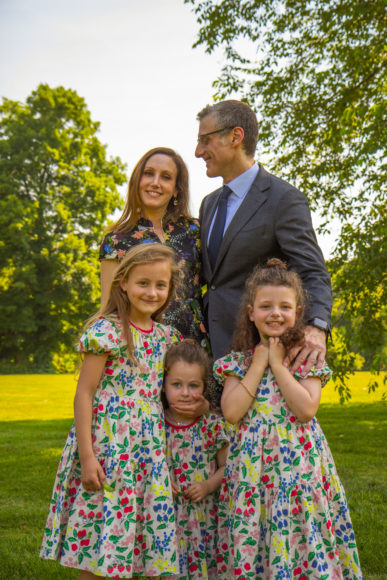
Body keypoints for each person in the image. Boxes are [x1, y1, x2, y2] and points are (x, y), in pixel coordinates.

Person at [40, 244, 185, 579]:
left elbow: (168, 397)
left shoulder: (169, 338)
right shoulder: (106, 331)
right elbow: (84, 393)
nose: (152, 292)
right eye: (143, 283)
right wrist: (87, 456)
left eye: (160, 285)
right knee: (100, 535)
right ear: (123, 283)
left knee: (140, 535)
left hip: (147, 451)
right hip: (108, 448)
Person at [214, 258, 362, 579]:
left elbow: (306, 408)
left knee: (300, 535)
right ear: (251, 312)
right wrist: (258, 364)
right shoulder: (237, 363)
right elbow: (232, 411)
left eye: (285, 306)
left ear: (298, 313)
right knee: (256, 536)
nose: (276, 313)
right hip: (252, 474)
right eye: (266, 306)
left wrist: (278, 366)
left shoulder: (305, 359)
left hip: (297, 471)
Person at [195, 100, 332, 373]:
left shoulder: (284, 199)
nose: (198, 152)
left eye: (205, 140)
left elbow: (313, 272)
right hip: (213, 356)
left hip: (266, 357)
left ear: (235, 136)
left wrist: (317, 327)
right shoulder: (208, 204)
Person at [100, 146, 209, 352]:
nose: (155, 183)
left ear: (176, 189)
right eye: (148, 174)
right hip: (141, 348)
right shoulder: (115, 239)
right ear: (137, 181)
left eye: (166, 177)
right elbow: (108, 306)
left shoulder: (195, 231)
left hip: (193, 346)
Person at [163, 339, 229, 579]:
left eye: (193, 385)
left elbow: (227, 467)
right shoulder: (155, 424)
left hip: (203, 519)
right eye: (176, 384)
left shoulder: (211, 424)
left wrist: (207, 485)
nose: (185, 393)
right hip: (165, 518)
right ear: (163, 385)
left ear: (204, 387)